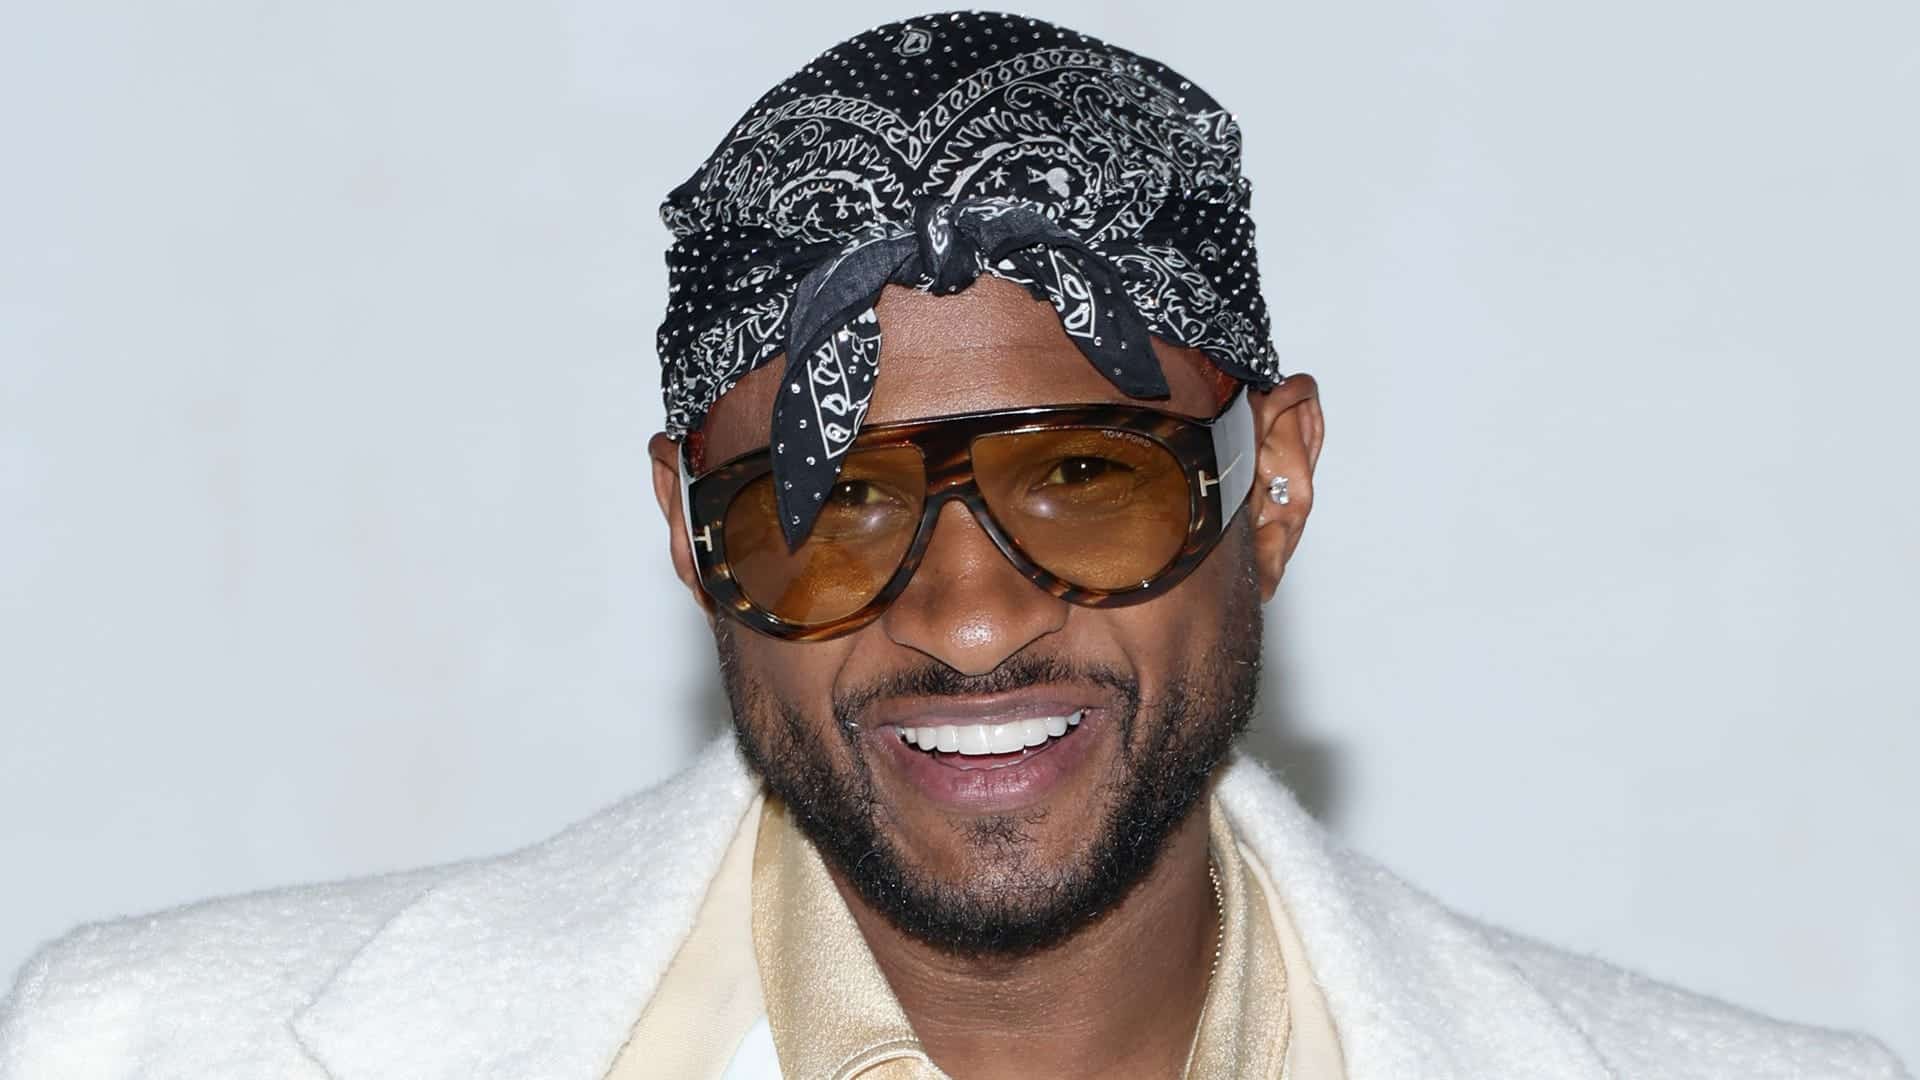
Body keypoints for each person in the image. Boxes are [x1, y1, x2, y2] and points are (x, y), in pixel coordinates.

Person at [0, 12, 1906, 1080]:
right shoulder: (146, 1053)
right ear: (685, 534)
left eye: (1088, 474)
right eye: (829, 502)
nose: (972, 616)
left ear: (1278, 481)